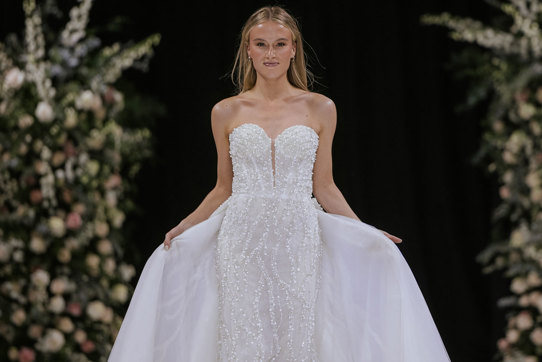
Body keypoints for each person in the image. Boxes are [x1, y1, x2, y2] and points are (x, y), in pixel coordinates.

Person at [108, 5, 451, 362]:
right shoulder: (226, 111)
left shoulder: (321, 108)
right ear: (248, 49)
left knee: (296, 335)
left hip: (298, 235)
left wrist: (364, 232)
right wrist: (185, 225)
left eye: (279, 44)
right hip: (241, 237)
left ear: (293, 48)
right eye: (261, 44)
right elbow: (223, 187)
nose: (270, 53)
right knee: (244, 335)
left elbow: (325, 187)